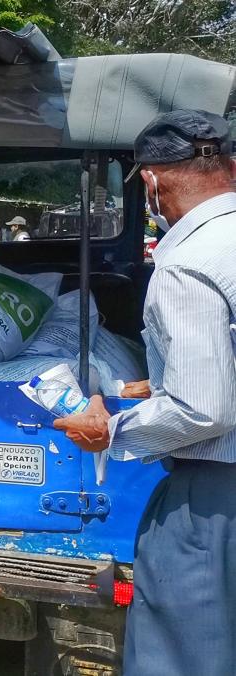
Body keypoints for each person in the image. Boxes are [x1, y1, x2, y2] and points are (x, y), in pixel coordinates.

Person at [53, 109, 236, 676]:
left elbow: (203, 408)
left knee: (185, 653)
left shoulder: (185, 265)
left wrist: (109, 429)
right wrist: (167, 382)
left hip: (216, 499)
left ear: (152, 182)